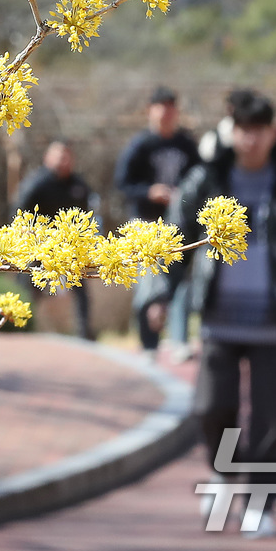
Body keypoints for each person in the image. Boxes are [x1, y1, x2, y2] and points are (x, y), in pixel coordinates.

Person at [139, 90, 276, 538]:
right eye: (243, 130)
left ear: (273, 133)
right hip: (220, 319)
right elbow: (173, 236)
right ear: (231, 131)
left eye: (259, 130)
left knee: (272, 420)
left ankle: (259, 505)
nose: (250, 139)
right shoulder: (208, 179)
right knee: (211, 405)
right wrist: (159, 295)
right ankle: (223, 469)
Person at [115, 86, 200, 359]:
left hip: (178, 226)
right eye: (160, 107)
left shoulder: (186, 145)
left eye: (171, 107)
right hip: (146, 224)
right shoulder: (140, 145)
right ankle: (148, 343)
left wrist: (183, 198)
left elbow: (200, 179)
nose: (166, 113)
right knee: (148, 283)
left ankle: (179, 339)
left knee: (180, 282)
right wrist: (150, 191)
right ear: (149, 111)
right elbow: (123, 183)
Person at [17, 140, 99, 340]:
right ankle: (20, 324)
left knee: (79, 284)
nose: (63, 161)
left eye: (67, 156)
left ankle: (84, 331)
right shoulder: (36, 183)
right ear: (47, 158)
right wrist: (28, 235)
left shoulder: (79, 185)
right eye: (59, 156)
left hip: (69, 245)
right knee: (27, 282)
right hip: (39, 244)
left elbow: (88, 215)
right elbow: (20, 211)